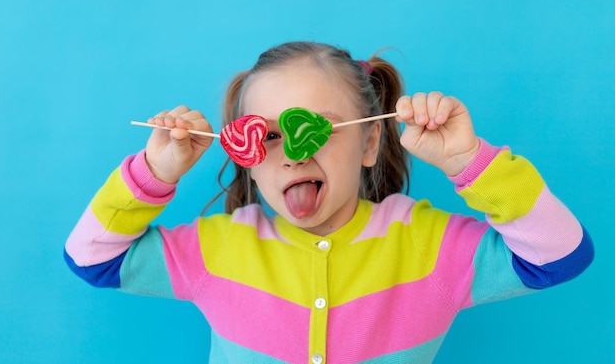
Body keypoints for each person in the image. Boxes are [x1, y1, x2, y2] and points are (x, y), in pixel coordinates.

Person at [64, 41, 594, 364]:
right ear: (245, 153)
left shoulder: (428, 245)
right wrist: (155, 172)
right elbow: (91, 259)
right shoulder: (219, 249)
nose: (291, 156)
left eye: (310, 131)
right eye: (266, 135)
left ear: (368, 142)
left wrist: (467, 160)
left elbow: (561, 255)